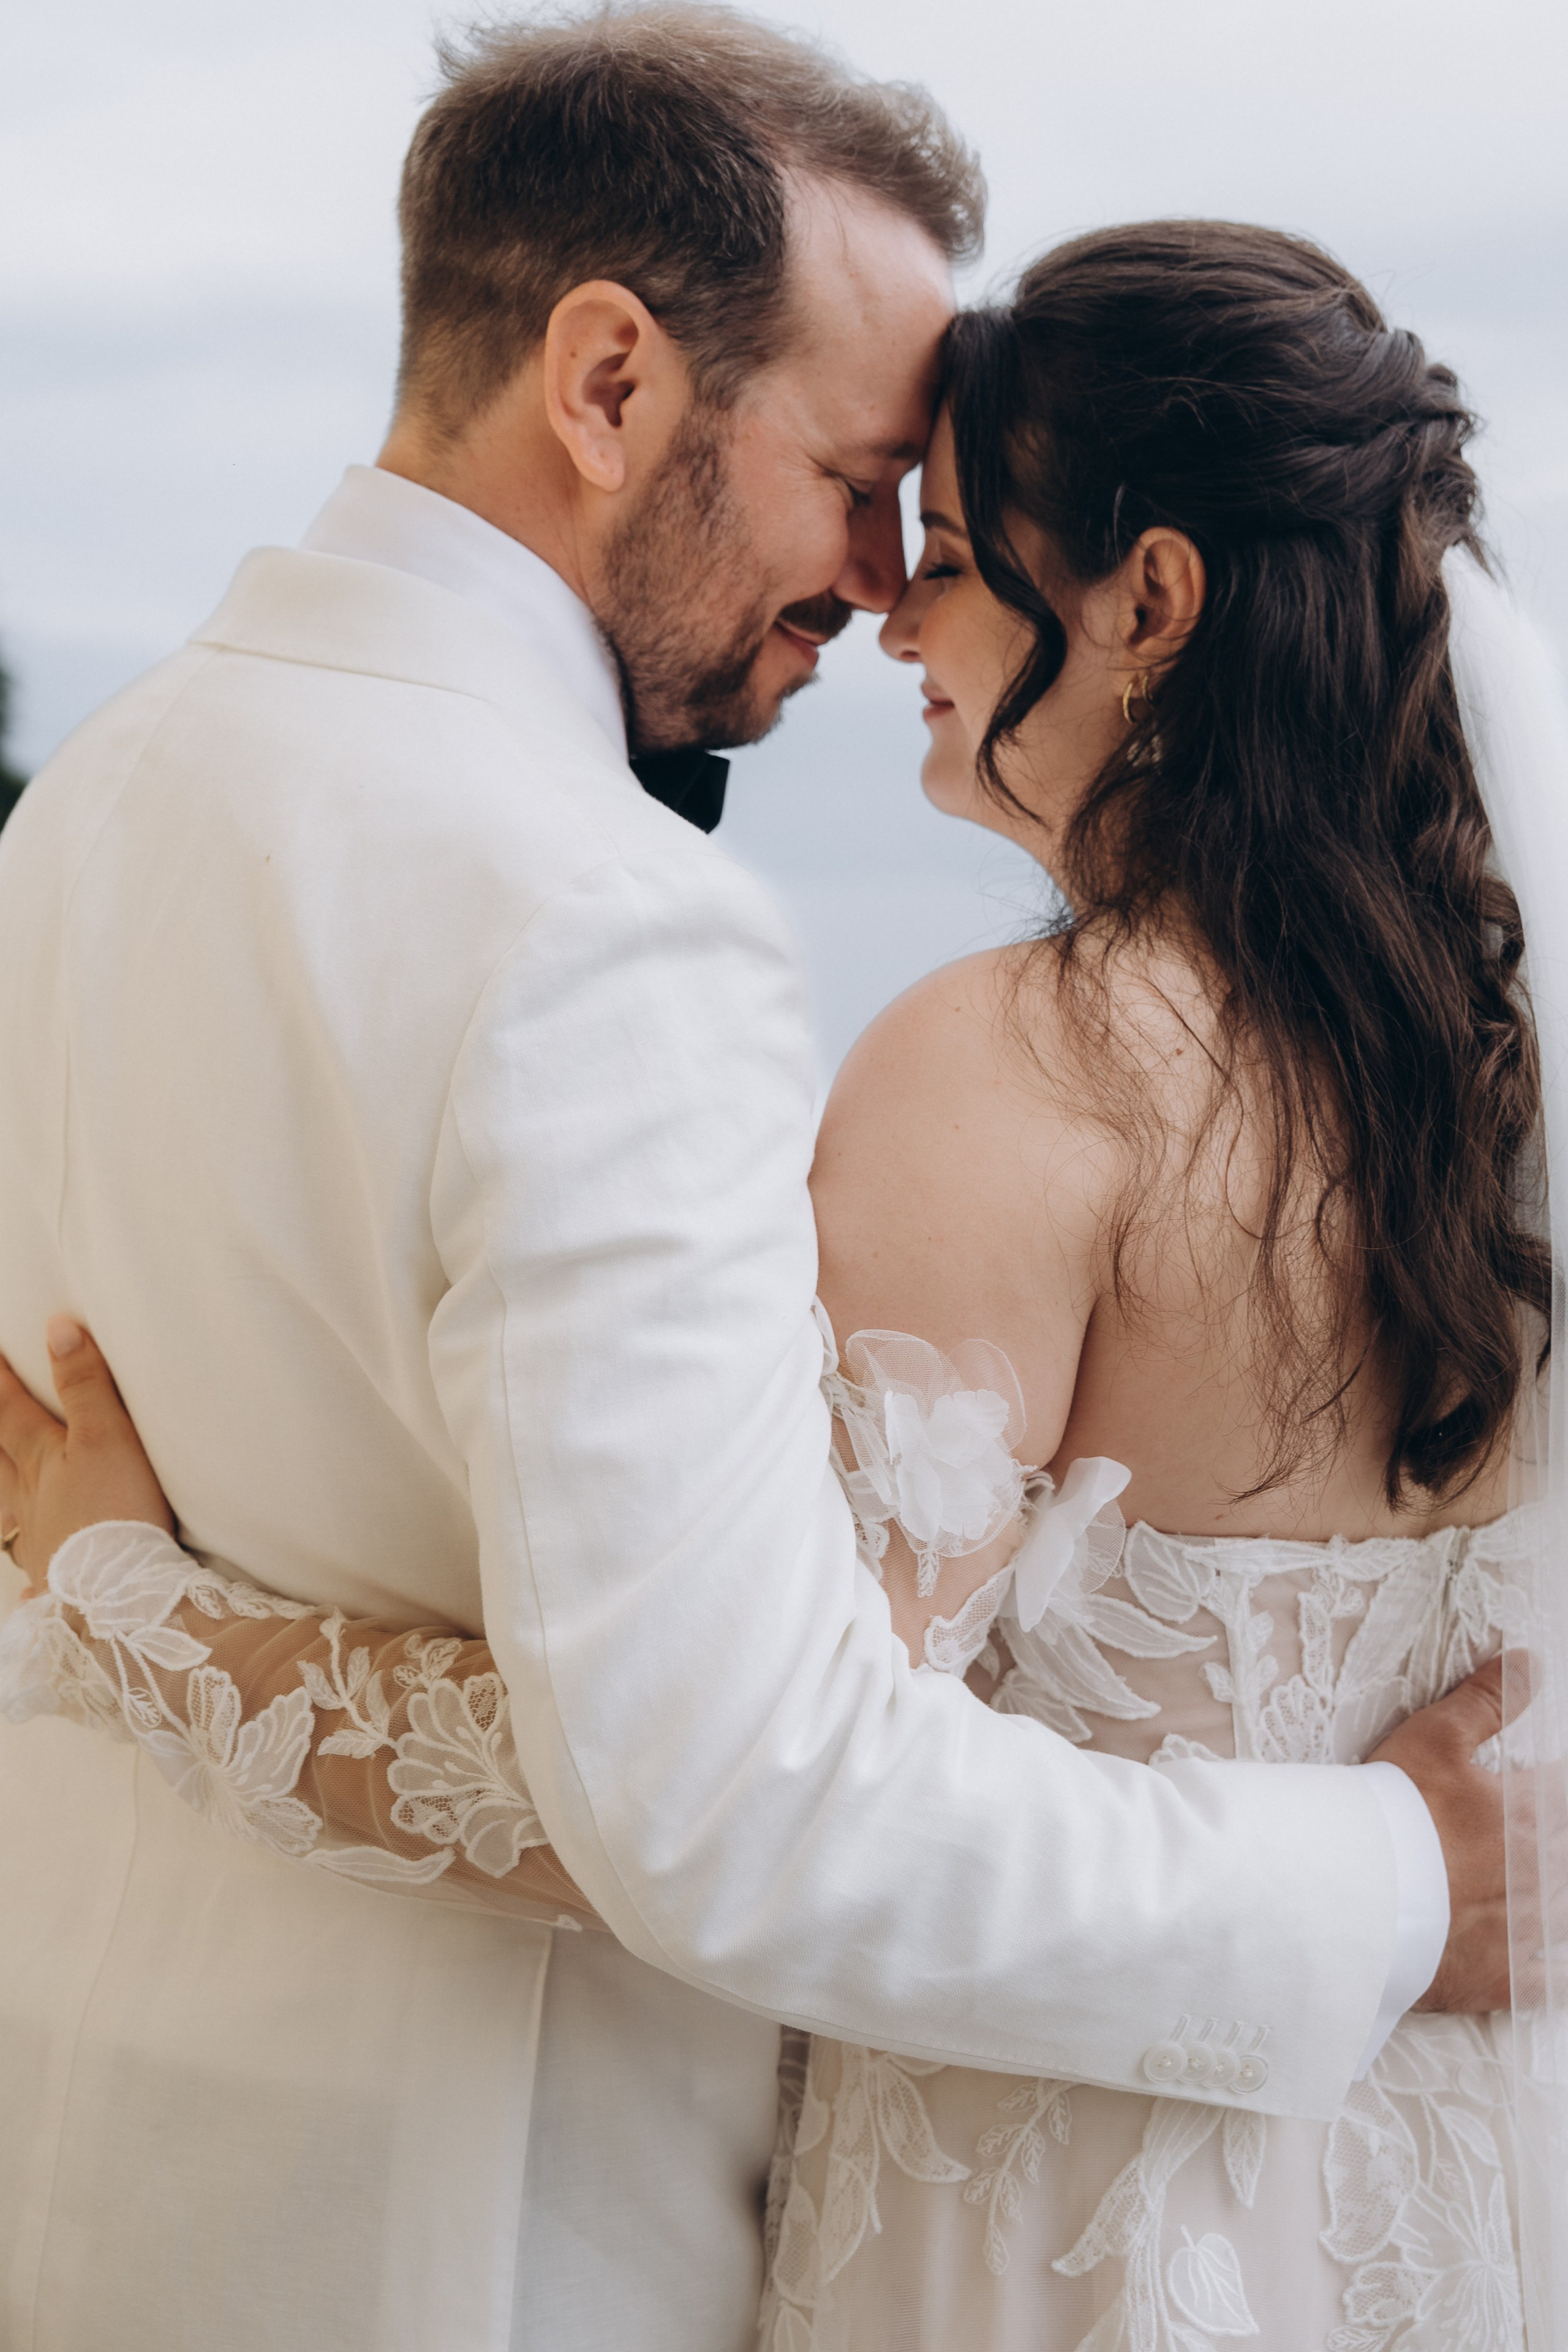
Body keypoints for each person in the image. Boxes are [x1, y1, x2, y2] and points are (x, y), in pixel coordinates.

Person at [0, 13, 1518, 2351]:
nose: (888, 586)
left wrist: (117, 1589)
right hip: (498, 2243)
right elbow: (732, 1786)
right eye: (863, 476)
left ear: (1159, 597)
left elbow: (704, 1771)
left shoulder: (84, 803)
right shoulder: (608, 915)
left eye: (946, 524)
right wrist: (1396, 1876)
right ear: (608, 380)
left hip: (108, 2162)